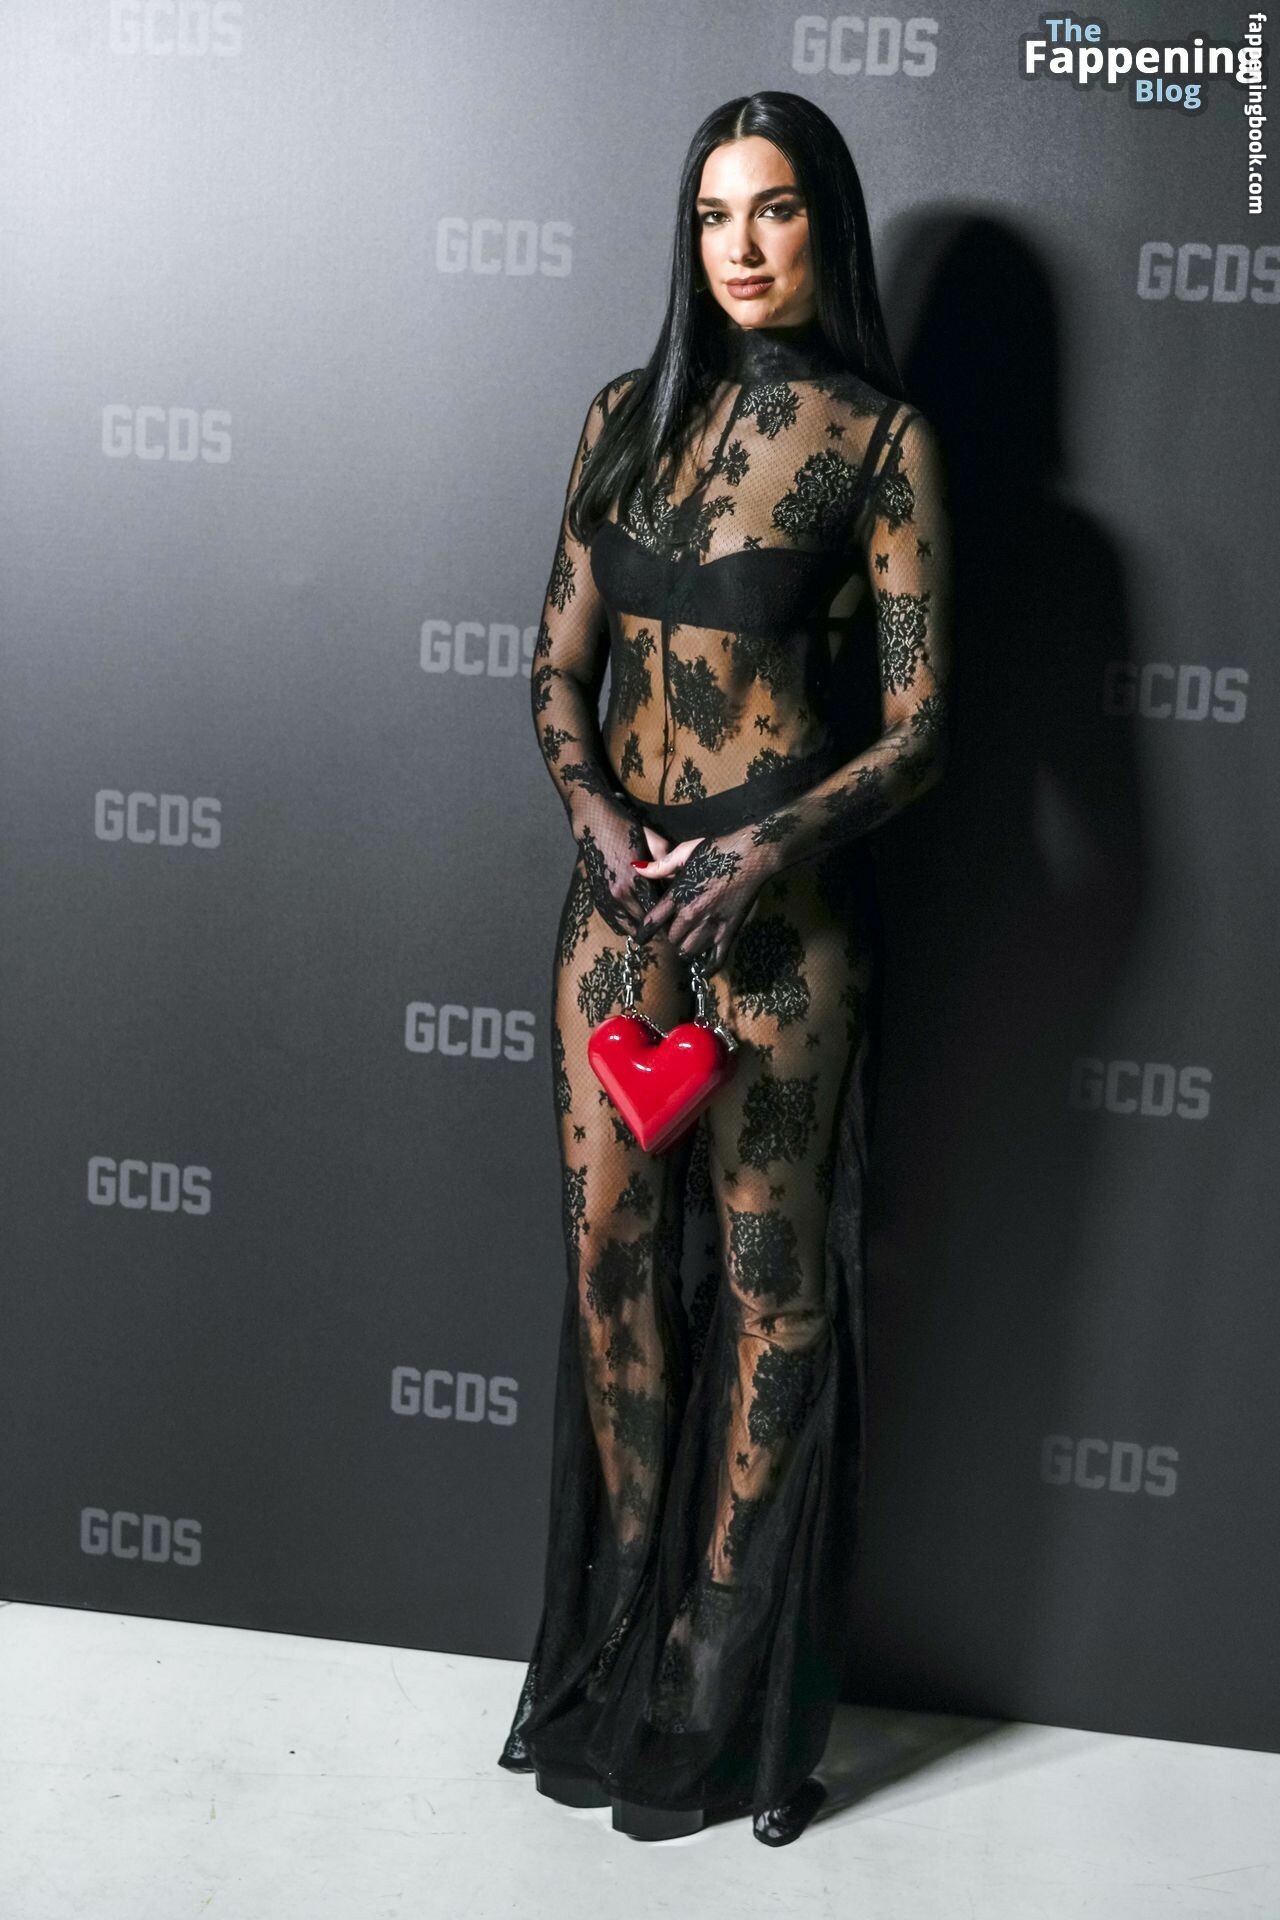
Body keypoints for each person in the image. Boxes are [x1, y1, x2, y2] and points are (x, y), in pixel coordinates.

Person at [497, 88, 952, 1847]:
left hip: (778, 927)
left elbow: (920, 730)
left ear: (826, 222)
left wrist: (762, 850)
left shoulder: (881, 443)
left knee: (773, 1290)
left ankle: (718, 1680)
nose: (742, 246)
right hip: (619, 913)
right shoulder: (624, 420)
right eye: (712, 214)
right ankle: (617, 1635)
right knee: (609, 1262)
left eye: (774, 209)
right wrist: (602, 823)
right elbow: (556, 672)